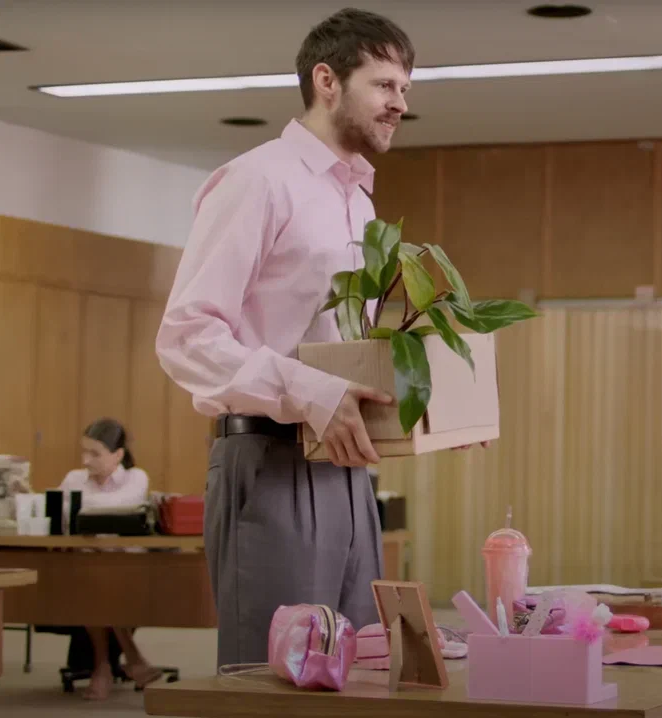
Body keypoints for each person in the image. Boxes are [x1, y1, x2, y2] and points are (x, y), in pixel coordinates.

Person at [155, 8, 434, 666]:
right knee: (276, 679)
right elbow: (186, 335)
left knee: (359, 667)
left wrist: (420, 400)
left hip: (347, 469)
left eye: (405, 89)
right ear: (327, 80)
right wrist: (309, 391)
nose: (400, 104)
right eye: (385, 85)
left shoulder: (358, 202)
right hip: (270, 460)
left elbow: (337, 342)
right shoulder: (257, 180)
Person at [58, 418, 161, 700]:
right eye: (84, 452)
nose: (85, 460)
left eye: (95, 453)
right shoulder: (74, 478)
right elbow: (62, 514)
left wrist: (84, 510)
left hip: (130, 569)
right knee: (96, 581)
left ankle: (103, 666)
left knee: (102, 583)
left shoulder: (136, 477)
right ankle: (131, 660)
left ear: (118, 455)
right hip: (87, 569)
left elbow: (120, 508)